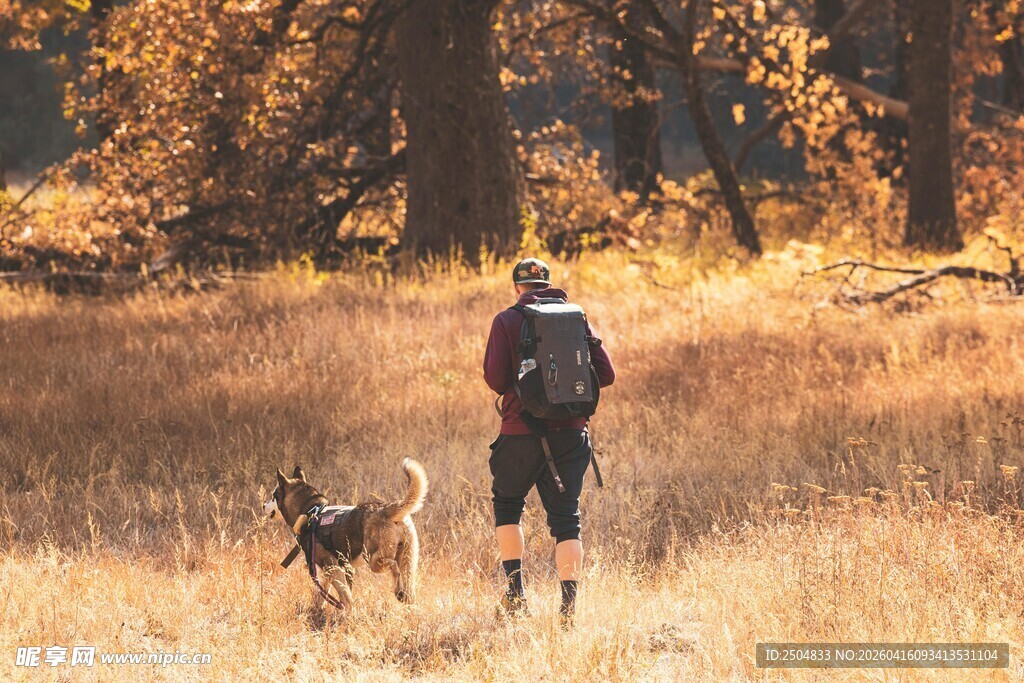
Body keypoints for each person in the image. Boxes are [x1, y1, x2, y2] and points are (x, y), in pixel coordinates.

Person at [482, 257, 615, 626]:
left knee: (508, 505)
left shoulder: (507, 320)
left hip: (519, 432)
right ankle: (568, 611)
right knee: (566, 520)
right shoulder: (576, 316)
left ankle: (515, 595)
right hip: (572, 432)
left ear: (517, 287)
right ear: (549, 285)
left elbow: (495, 379)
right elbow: (606, 374)